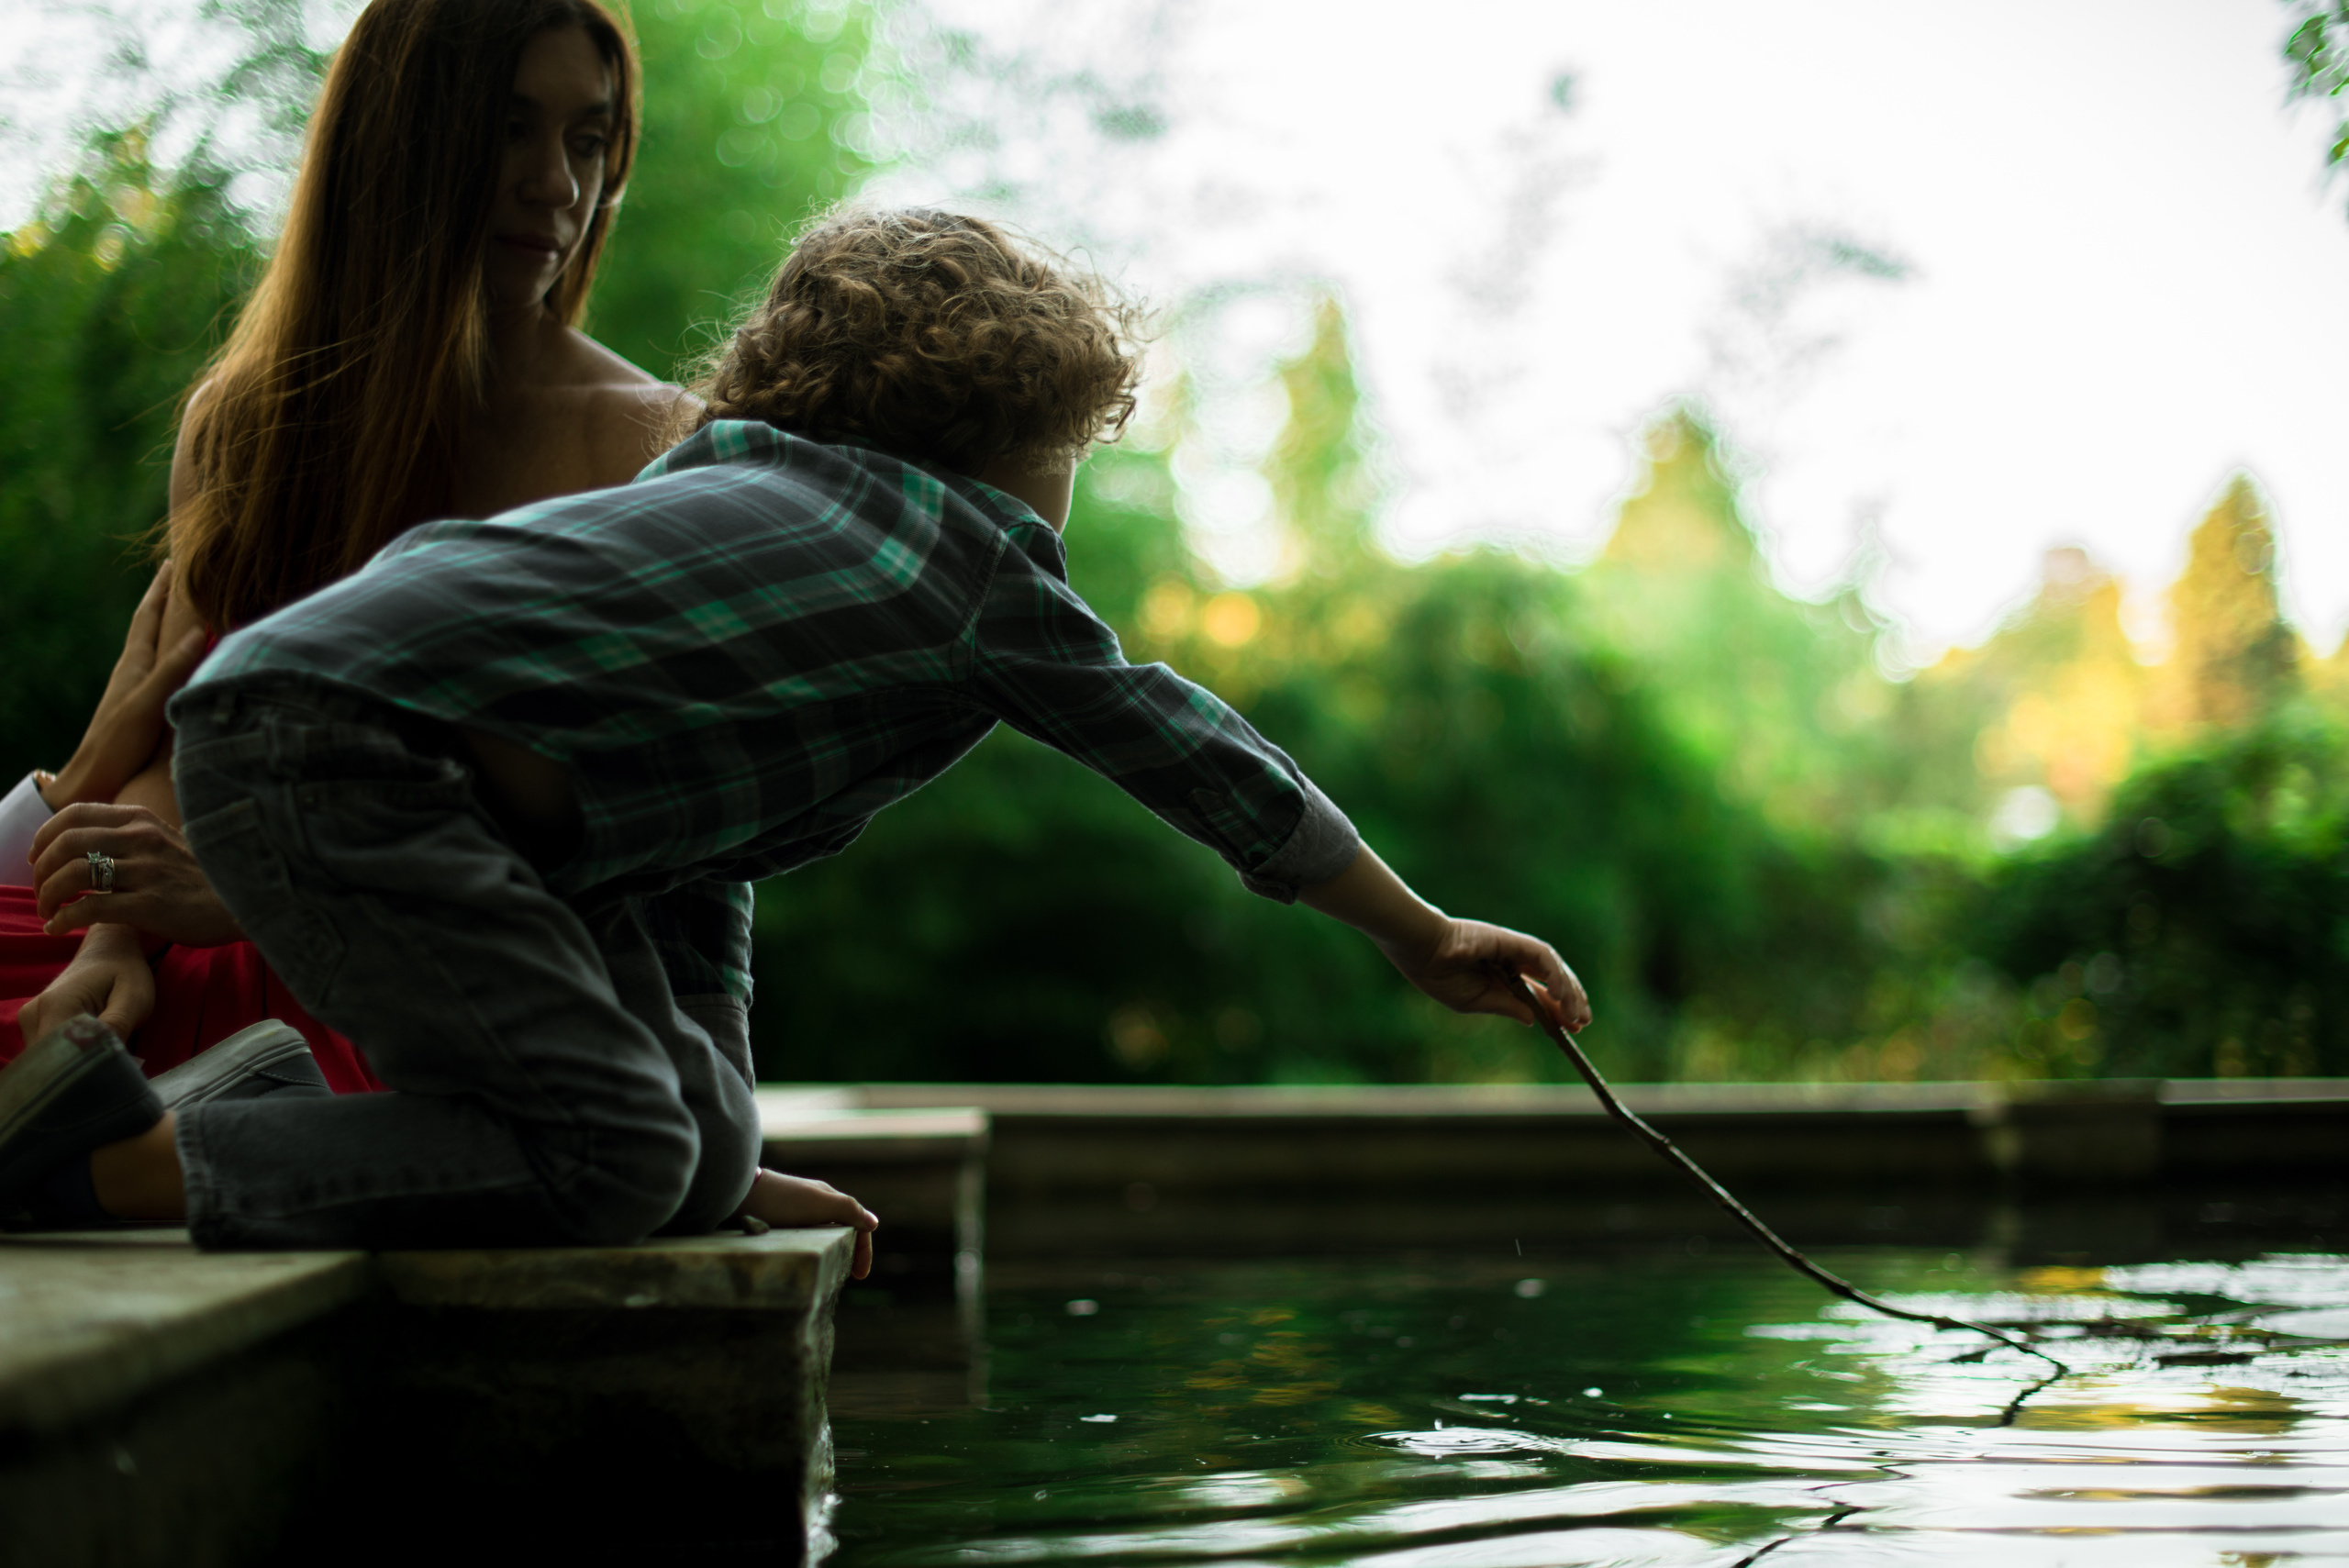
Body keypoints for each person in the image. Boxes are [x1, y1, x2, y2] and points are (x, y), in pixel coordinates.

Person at [0, 207, 1587, 1259]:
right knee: (619, 1156)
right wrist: (1415, 926)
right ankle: (112, 1163)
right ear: (1002, 449)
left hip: (310, 730)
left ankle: (240, 1113)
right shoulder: (966, 557)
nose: (1062, 528)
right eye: (1066, 472)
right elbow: (1188, 746)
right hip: (345, 749)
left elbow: (682, 891)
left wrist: (725, 1148)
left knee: (665, 1153)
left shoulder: (727, 516)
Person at [0, 0, 689, 1089]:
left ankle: (142, 1147)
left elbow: (633, 838)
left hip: (455, 976)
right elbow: (180, 742)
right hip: (207, 943)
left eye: (589, 139)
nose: (557, 184)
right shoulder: (250, 418)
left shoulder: (646, 445)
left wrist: (713, 1129)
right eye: (510, 127)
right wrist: (115, 940)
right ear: (401, 142)